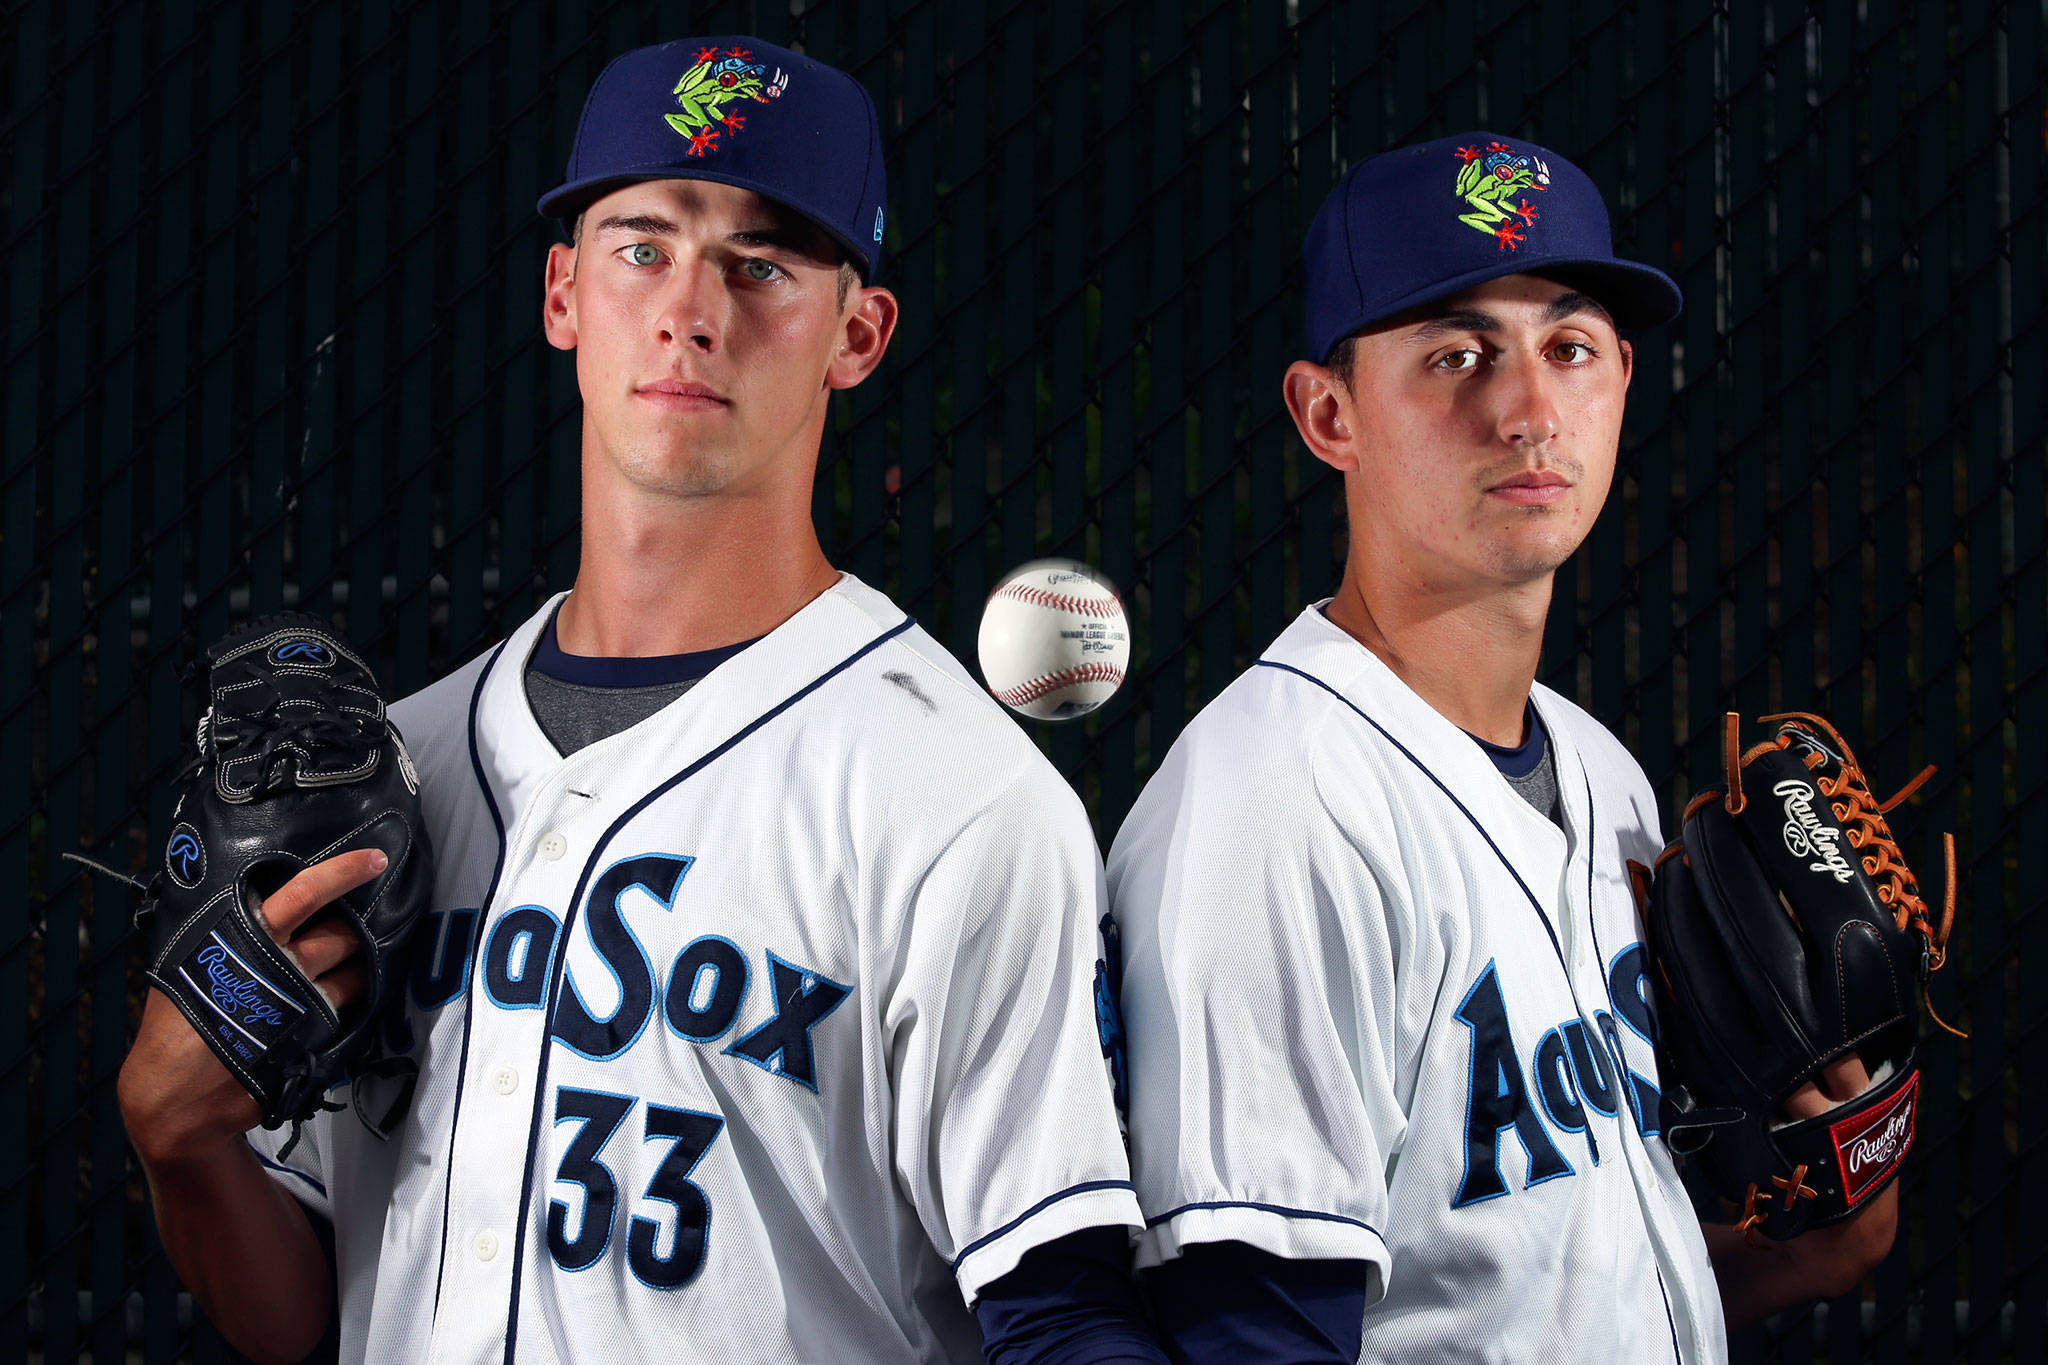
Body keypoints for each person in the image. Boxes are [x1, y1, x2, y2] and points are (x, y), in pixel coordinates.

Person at [118, 37, 1166, 1364]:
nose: (693, 309)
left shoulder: (958, 797)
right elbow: (318, 1307)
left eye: (763, 262)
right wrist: (182, 1145)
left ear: (859, 333)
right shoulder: (412, 763)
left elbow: (1063, 1312)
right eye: (641, 246)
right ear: (563, 293)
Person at [1106, 133, 1898, 1361]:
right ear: (1329, 413)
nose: (1528, 409)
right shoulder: (1272, 811)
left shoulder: (1600, 772)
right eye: (1455, 354)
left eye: (1567, 349)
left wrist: (1816, 1242)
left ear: (1621, 380)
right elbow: (1251, 1338)